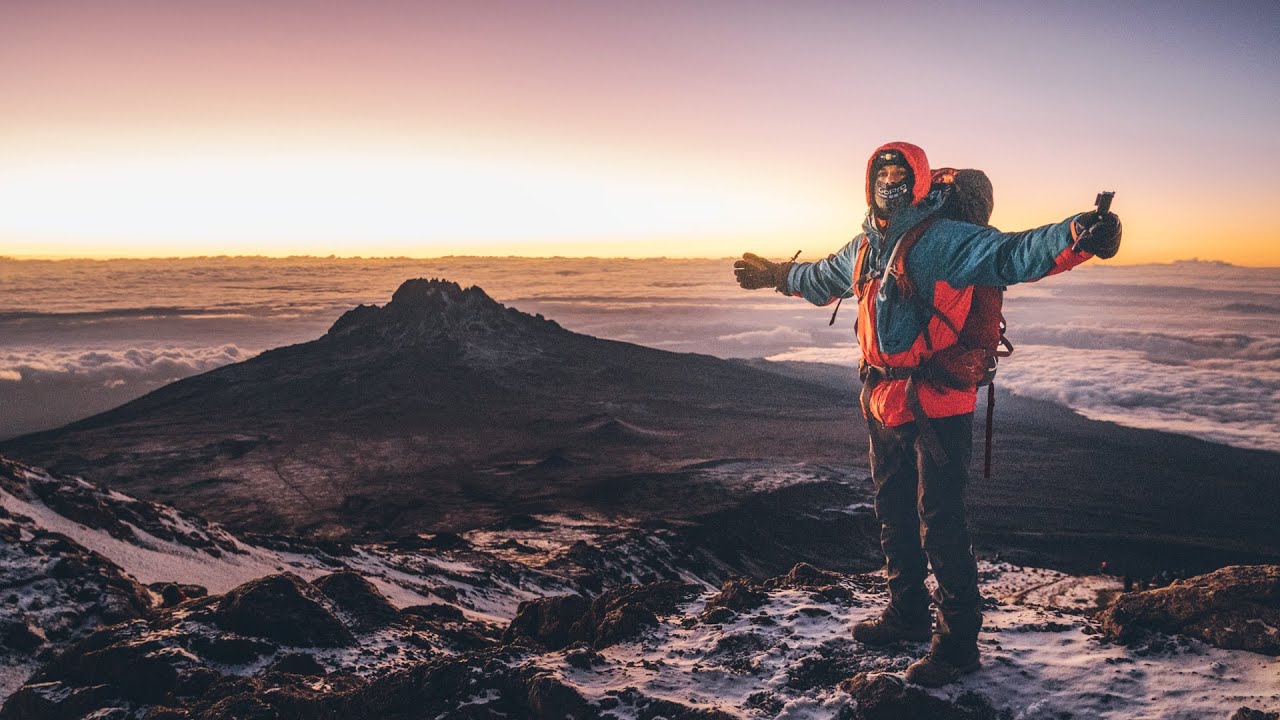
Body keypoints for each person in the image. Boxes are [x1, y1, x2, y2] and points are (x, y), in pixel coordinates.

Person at [733, 141, 1121, 687]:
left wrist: (1078, 235)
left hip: (938, 399)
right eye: (881, 174)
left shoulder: (944, 239)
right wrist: (777, 274)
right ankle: (907, 614)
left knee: (941, 521)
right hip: (882, 396)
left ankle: (958, 646)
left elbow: (1013, 254)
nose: (889, 183)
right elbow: (821, 278)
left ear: (918, 182)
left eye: (899, 175)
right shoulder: (866, 244)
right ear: (868, 182)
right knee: (893, 511)